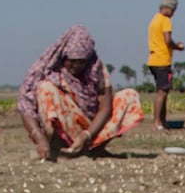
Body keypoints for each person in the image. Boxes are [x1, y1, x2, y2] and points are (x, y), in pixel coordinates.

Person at [17, 25, 144, 161]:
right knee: (45, 88)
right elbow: (26, 106)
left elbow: (105, 108)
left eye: (81, 62)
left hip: (92, 129)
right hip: (67, 123)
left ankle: (93, 149)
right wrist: (39, 138)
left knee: (129, 96)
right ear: (63, 56)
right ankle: (60, 150)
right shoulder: (49, 70)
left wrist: (86, 135)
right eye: (71, 61)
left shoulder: (97, 69)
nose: (76, 66)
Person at [147, 0, 185, 131]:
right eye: (173, 10)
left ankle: (163, 121)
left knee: (161, 91)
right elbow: (168, 40)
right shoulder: (165, 20)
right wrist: (178, 47)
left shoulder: (154, 19)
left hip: (153, 59)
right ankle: (157, 122)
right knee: (162, 93)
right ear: (168, 8)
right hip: (162, 60)